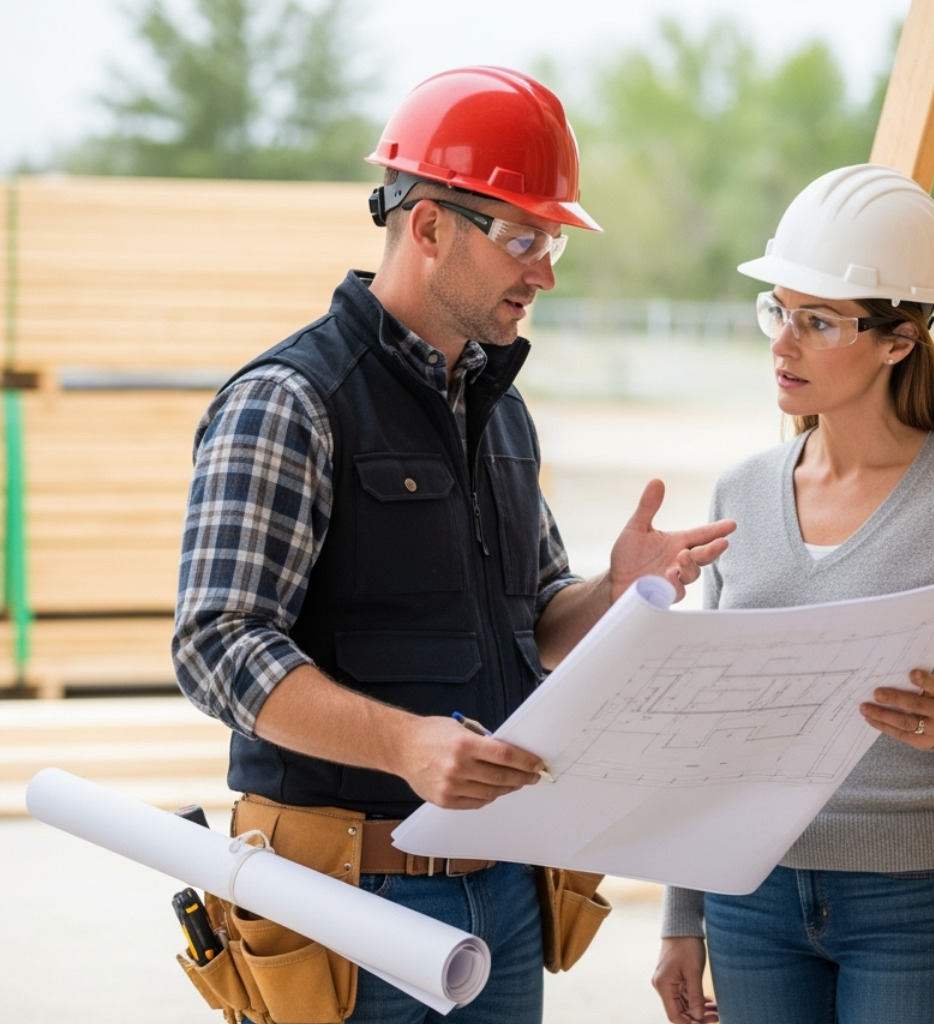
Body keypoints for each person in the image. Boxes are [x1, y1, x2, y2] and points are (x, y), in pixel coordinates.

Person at [172, 66, 733, 1024]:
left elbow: (535, 621)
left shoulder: (500, 412)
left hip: (505, 896)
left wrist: (612, 594)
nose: (546, 271)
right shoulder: (290, 402)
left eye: (553, 240)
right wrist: (404, 745)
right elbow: (216, 645)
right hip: (344, 906)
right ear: (427, 226)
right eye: (523, 237)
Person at [650, 163, 934, 1024]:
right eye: (778, 311)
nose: (781, 342)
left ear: (898, 339)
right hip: (749, 899)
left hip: (916, 905)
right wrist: (683, 919)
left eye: (818, 321)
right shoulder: (740, 494)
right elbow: (709, 737)